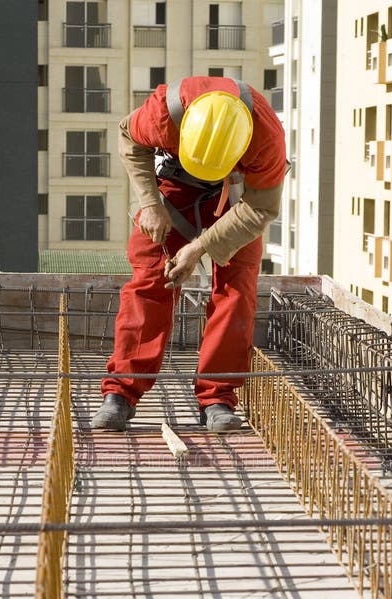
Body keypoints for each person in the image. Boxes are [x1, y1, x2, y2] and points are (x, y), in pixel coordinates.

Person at [91, 75, 288, 433]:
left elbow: (261, 209)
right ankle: (120, 392)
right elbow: (128, 137)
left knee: (237, 288)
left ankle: (217, 397)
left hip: (237, 196)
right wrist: (150, 204)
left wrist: (200, 247)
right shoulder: (166, 113)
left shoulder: (266, 138)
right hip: (173, 184)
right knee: (150, 276)